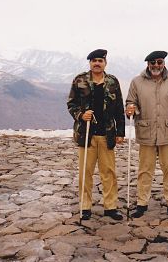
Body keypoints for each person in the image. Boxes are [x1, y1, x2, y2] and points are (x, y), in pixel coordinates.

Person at [126, 51, 168, 219]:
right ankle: (141, 203)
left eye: (159, 62)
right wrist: (131, 109)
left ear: (164, 63)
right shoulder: (136, 82)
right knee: (145, 170)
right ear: (148, 64)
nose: (156, 65)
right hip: (146, 132)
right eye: (153, 62)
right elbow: (131, 102)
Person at [67, 49, 125, 221]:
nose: (97, 63)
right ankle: (85, 207)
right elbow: (71, 104)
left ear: (105, 62)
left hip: (107, 134)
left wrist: (120, 132)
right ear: (90, 63)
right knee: (86, 172)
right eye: (94, 61)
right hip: (86, 134)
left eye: (100, 60)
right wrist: (80, 115)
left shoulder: (112, 81)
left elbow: (119, 109)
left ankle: (111, 207)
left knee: (108, 172)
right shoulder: (80, 80)